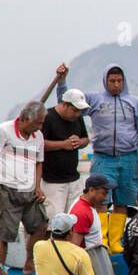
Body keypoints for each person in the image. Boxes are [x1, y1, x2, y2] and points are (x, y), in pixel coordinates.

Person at [54, 63, 138, 216]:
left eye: (119, 81)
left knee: (124, 200)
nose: (116, 85)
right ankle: (100, 237)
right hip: (103, 158)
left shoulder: (135, 103)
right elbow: (67, 102)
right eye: (112, 81)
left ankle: (115, 239)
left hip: (129, 158)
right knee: (99, 199)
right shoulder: (94, 99)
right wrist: (62, 82)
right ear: (105, 81)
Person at [0, 101, 48, 275]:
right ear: (26, 119)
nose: (40, 127)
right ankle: (1, 271)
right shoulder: (4, 131)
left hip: (29, 191)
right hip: (6, 189)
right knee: (4, 234)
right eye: (38, 123)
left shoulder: (38, 136)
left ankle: (29, 264)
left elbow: (38, 163)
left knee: (41, 226)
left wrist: (38, 187)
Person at [40, 85, 90, 218]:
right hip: (52, 180)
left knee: (75, 217)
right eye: (74, 110)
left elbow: (86, 139)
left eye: (80, 111)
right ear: (64, 105)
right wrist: (63, 144)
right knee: (54, 218)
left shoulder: (77, 118)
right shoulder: (48, 117)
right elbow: (39, 144)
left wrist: (79, 142)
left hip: (74, 178)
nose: (77, 114)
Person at [68, 174, 114, 249]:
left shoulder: (86, 204)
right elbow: (75, 247)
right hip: (89, 258)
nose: (106, 198)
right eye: (104, 194)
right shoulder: (82, 212)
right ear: (91, 190)